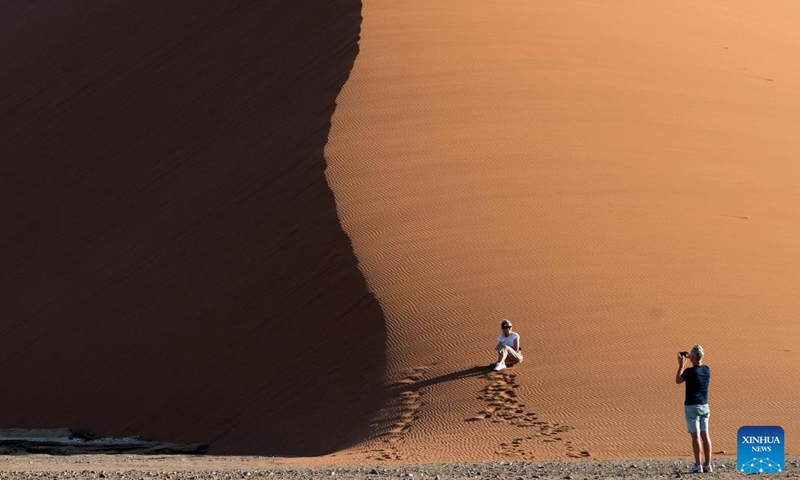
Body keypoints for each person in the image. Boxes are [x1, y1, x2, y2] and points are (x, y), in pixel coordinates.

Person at [675, 344, 712, 473]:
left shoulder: (689, 372)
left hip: (692, 407)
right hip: (704, 406)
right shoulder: (707, 370)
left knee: (695, 437)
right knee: (705, 435)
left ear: (694, 357)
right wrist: (692, 357)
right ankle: (708, 464)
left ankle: (698, 465)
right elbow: (699, 364)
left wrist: (681, 364)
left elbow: (678, 380)